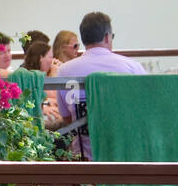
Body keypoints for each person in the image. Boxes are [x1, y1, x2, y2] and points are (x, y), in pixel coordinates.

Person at [55, 12, 146, 158]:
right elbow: (144, 111)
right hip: (124, 157)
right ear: (107, 37)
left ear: (83, 40)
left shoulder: (65, 70)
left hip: (85, 159)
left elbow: (67, 119)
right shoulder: (131, 67)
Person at [21, 40, 63, 128]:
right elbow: (54, 96)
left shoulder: (45, 75)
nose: (53, 61)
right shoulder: (30, 76)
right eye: (50, 57)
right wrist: (54, 75)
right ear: (41, 58)